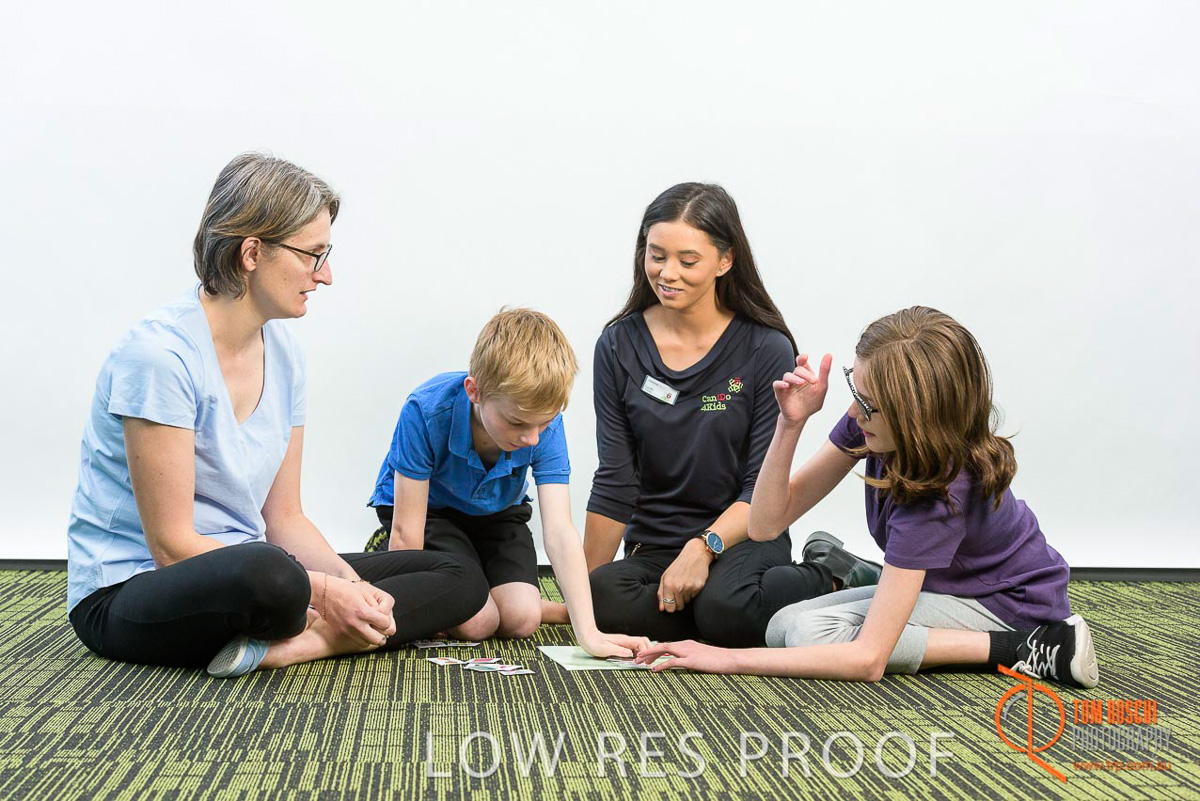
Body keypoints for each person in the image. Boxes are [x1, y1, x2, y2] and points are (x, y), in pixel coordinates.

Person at [67, 153, 487, 679]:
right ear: (251, 253)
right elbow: (172, 547)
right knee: (275, 576)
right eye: (313, 255)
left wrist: (353, 591)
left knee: (460, 575)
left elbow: (284, 518)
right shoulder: (160, 358)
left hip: (255, 568)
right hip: (131, 589)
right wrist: (324, 591)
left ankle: (295, 645)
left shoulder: (285, 354)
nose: (325, 275)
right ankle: (319, 623)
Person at [633, 307, 1100, 689]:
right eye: (856, 389)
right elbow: (765, 524)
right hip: (944, 585)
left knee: (807, 634)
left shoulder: (938, 497)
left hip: (1005, 605)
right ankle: (884, 580)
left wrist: (723, 659)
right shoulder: (873, 423)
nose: (855, 411)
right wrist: (790, 424)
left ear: (916, 417)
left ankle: (1024, 646)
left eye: (869, 403)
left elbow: (868, 660)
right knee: (781, 627)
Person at [564, 183, 877, 648]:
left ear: (725, 261)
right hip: (656, 545)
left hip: (745, 535)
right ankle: (718, 611)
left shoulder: (765, 348)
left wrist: (703, 546)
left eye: (687, 261)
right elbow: (615, 479)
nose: (667, 273)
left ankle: (830, 573)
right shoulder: (618, 345)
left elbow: (759, 486)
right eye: (656, 256)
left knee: (727, 607)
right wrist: (585, 603)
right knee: (605, 600)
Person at [364, 309, 649, 658]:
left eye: (543, 423)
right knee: (477, 624)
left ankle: (499, 593)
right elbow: (408, 532)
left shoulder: (543, 425)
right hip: (431, 514)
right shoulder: (425, 410)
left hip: (497, 513)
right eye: (517, 423)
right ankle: (382, 554)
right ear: (474, 391)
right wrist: (407, 593)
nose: (532, 438)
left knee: (521, 619)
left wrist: (589, 633)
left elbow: (560, 531)